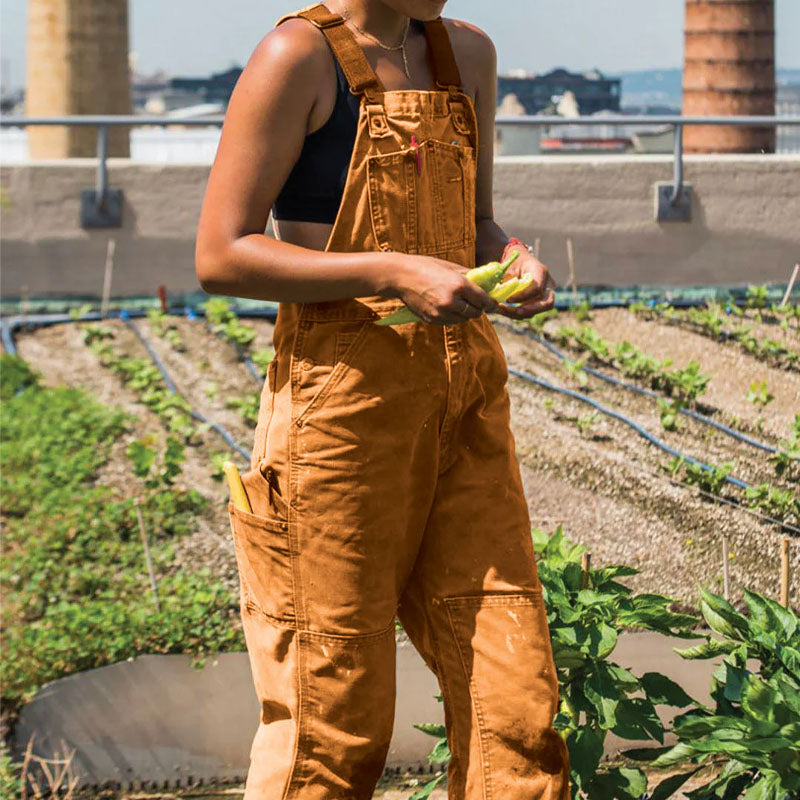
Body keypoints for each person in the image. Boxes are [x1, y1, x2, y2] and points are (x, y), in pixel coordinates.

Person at [194, 1, 569, 798]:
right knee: (332, 723)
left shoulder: (468, 55)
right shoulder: (296, 57)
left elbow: (475, 223)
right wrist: (391, 269)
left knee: (518, 712)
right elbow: (222, 254)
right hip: (338, 415)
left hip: (465, 402)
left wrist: (509, 257)